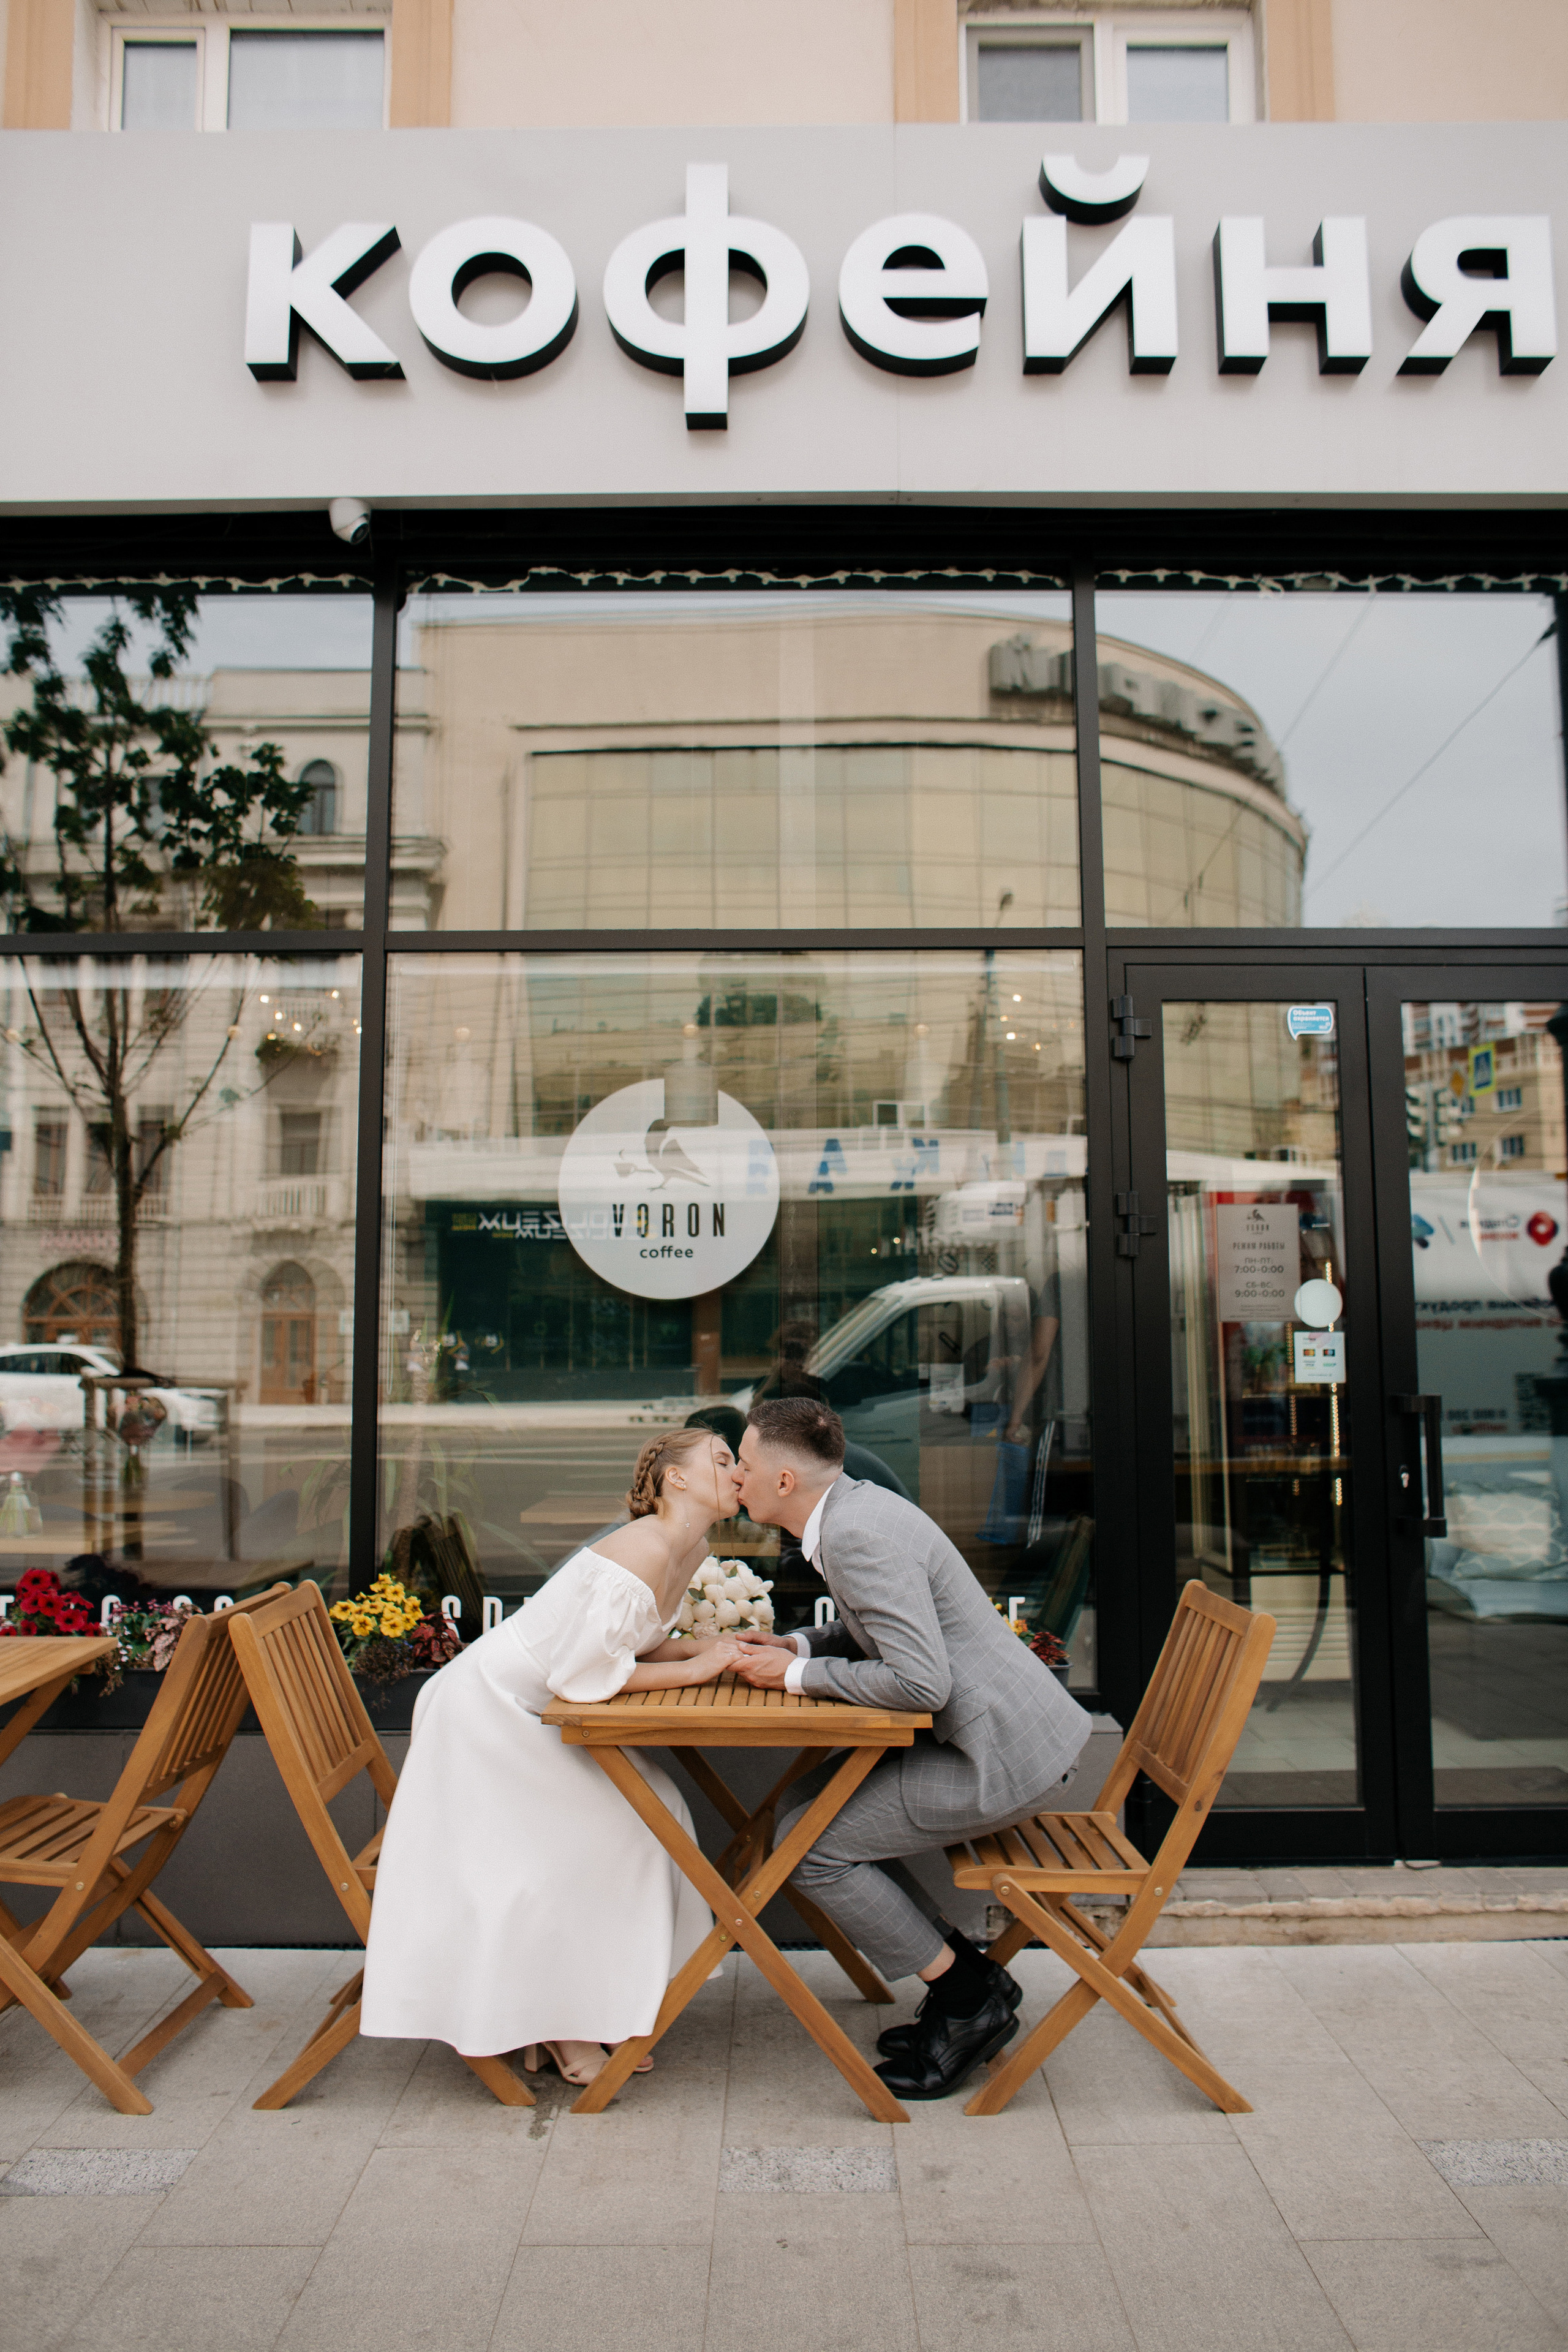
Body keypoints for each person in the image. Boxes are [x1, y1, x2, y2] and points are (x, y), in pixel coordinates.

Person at [361, 1428, 748, 2086]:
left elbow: (625, 1644)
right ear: (675, 1479)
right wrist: (693, 1670)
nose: (738, 1470)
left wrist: (698, 1649)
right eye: (722, 1459)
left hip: (539, 1708)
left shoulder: (691, 1544)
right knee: (618, 1831)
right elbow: (582, 1674)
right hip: (491, 1712)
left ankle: (588, 2003)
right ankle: (566, 2026)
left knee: (657, 1812)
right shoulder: (647, 1546)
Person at [733, 1395, 1092, 2101]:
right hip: (1001, 1734)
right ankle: (970, 1976)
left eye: (744, 1465)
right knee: (800, 1810)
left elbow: (920, 1683)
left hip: (999, 1757)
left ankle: (967, 2000)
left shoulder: (855, 1536)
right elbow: (884, 1625)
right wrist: (797, 1646)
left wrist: (795, 1677)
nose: (736, 1478)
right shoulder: (858, 1508)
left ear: (784, 1481)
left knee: (809, 1848)